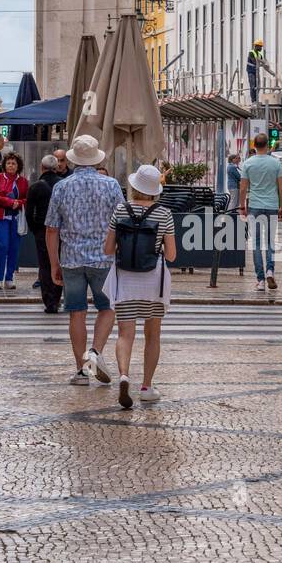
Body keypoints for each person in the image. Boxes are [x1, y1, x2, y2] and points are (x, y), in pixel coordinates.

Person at [45, 134, 122, 386]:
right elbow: (121, 222)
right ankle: (95, 353)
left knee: (76, 312)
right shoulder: (110, 185)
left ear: (73, 159)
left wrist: (54, 263)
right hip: (104, 257)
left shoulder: (61, 187)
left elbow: (52, 229)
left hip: (71, 258)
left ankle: (81, 371)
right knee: (107, 308)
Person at [103, 163, 177, 408]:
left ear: (134, 187)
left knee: (125, 334)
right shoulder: (164, 214)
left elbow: (108, 249)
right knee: (152, 333)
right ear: (155, 189)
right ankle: (146, 386)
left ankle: (124, 375)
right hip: (153, 281)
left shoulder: (120, 210)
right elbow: (172, 255)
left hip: (125, 279)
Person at [239, 133, 282, 291]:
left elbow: (243, 188)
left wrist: (242, 206)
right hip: (272, 205)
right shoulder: (275, 163)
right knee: (270, 241)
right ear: (267, 145)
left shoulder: (248, 164)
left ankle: (260, 280)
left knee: (257, 244)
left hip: (255, 206)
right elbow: (281, 187)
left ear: (254, 145)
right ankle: (270, 271)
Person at [25, 154, 64, 312]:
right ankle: (56, 297)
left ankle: (49, 301)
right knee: (59, 262)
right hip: (61, 231)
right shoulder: (62, 185)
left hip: (42, 230)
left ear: (42, 168)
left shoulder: (35, 187)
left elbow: (29, 213)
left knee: (45, 265)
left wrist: (35, 230)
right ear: (56, 168)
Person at [0, 151, 29, 290]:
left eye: (14, 163)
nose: (11, 166)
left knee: (14, 248)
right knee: (3, 245)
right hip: (0, 217)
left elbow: (27, 198)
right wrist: (10, 202)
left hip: (17, 218)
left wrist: (19, 202)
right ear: (4, 165)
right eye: (9, 163)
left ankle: (9, 277)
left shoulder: (23, 181)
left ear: (18, 166)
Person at [246, 38, 276, 104]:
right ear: (256, 46)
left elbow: (265, 67)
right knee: (253, 86)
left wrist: (272, 73)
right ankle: (253, 101)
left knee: (258, 87)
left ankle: (256, 100)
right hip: (251, 71)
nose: (261, 48)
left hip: (256, 72)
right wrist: (263, 62)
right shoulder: (251, 53)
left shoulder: (260, 55)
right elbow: (255, 61)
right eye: (260, 46)